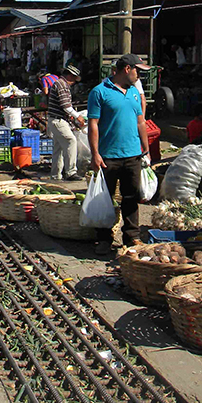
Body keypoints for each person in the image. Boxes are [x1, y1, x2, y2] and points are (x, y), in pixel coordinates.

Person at [88, 53, 151, 255]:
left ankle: (131, 237)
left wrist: (146, 147)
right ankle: (104, 238)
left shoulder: (134, 92)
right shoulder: (99, 92)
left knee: (131, 197)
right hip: (108, 156)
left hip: (132, 155)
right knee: (105, 199)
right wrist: (95, 154)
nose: (139, 76)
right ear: (127, 69)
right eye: (138, 71)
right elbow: (93, 124)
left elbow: (140, 121)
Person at [47, 64, 85, 181]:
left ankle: (56, 175)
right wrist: (77, 116)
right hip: (57, 120)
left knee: (58, 148)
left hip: (56, 119)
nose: (74, 82)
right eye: (74, 79)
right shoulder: (62, 85)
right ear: (70, 76)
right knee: (71, 141)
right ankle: (71, 172)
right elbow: (66, 106)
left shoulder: (60, 84)